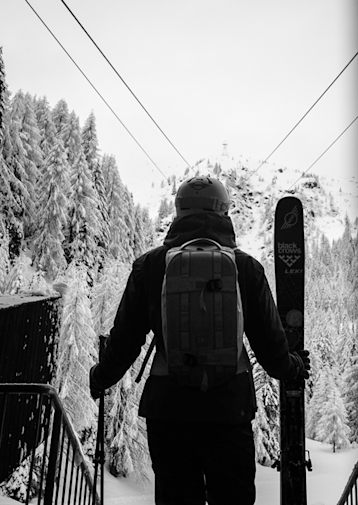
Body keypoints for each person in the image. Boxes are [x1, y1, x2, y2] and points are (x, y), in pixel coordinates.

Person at [89, 176, 310, 505]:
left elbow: (124, 341)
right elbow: (272, 350)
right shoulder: (246, 268)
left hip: (169, 412)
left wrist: (100, 377)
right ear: (224, 213)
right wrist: (294, 367)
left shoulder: (150, 267)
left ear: (179, 212)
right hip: (228, 411)